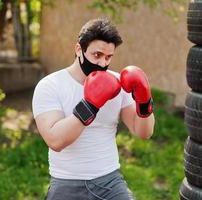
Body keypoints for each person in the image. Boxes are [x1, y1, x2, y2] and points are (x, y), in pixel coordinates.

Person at [32, 18, 155, 200]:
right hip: (66, 184)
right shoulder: (50, 85)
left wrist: (144, 99)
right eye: (96, 55)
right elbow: (55, 141)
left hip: (110, 181)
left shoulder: (118, 83)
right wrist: (91, 104)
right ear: (79, 50)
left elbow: (144, 132)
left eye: (108, 57)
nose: (102, 63)